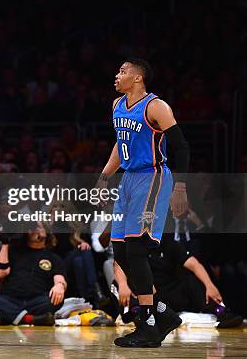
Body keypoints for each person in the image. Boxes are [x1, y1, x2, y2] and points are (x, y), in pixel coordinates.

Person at [98, 59, 189, 347]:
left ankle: (148, 323)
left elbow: (182, 147)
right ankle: (163, 313)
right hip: (127, 180)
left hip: (152, 178)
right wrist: (104, 176)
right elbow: (119, 142)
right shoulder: (116, 105)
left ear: (138, 78)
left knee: (137, 249)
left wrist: (181, 189)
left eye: (123, 71)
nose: (117, 75)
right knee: (122, 254)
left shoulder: (155, 107)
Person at [115, 236, 243, 329]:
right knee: (119, 285)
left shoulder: (168, 244)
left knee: (191, 280)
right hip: (144, 292)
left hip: (168, 293)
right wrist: (122, 284)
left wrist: (210, 285)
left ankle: (219, 311)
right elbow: (119, 264)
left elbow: (194, 264)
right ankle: (139, 314)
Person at [0, 225, 67, 325]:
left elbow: (60, 278)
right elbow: (0, 273)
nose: (36, 229)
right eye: (33, 227)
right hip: (10, 300)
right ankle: (30, 319)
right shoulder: (13, 251)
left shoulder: (53, 257)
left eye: (39, 227)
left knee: (58, 299)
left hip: (36, 301)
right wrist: (5, 244)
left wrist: (59, 285)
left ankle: (8, 317)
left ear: (47, 232)